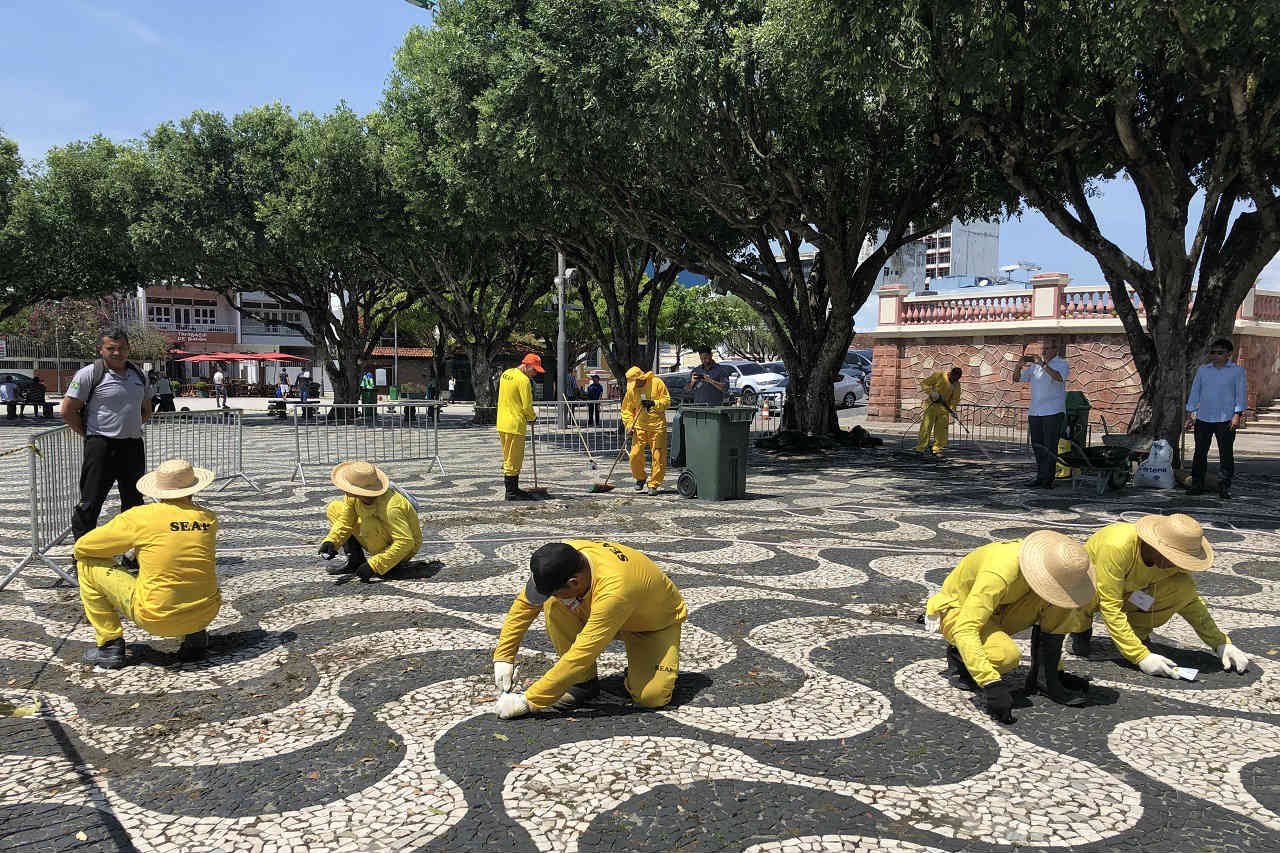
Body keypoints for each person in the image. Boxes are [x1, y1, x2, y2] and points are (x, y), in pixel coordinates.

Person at [492, 540, 687, 720]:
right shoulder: (563, 557)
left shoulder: (615, 589)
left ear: (574, 582)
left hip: (652, 623)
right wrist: (504, 656)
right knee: (553, 603)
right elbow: (525, 605)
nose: (556, 595)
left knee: (651, 698)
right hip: (606, 609)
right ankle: (583, 683)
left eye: (559, 591)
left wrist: (529, 700)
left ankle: (641, 668)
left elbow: (582, 653)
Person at [925, 531, 1095, 724]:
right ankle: (960, 656)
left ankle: (1045, 678)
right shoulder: (999, 571)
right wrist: (990, 683)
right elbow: (967, 628)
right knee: (1005, 657)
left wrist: (1055, 670)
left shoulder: (1053, 564)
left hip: (1001, 608)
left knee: (1063, 601)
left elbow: (1056, 620)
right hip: (961, 610)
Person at [74, 458, 221, 669]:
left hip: (157, 617)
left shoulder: (140, 517)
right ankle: (195, 637)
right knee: (188, 569)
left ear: (158, 490)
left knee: (86, 564)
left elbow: (83, 547)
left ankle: (109, 645)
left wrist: (122, 552)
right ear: (193, 488)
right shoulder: (208, 518)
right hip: (206, 612)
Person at [1070, 514, 1250, 677]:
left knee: (1182, 587)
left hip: (1131, 590)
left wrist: (1220, 643)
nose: (1177, 565)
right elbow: (1109, 605)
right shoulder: (1117, 546)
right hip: (1093, 585)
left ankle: (1137, 633)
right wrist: (1140, 657)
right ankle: (1080, 631)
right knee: (1089, 594)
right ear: (1155, 545)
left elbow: (1190, 602)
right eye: (1174, 558)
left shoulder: (1168, 563)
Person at [61, 329, 153, 548]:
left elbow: (146, 408)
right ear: (101, 349)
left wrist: (130, 427)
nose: (117, 352)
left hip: (132, 446)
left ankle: (132, 554)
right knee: (90, 502)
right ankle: (83, 555)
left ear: (129, 349)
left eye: (121, 348)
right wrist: (89, 435)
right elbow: (67, 411)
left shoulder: (139, 375)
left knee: (134, 503)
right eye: (111, 348)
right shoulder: (89, 374)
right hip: (101, 446)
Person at [317, 460, 423, 583]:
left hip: (405, 549)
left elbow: (405, 542)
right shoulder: (353, 497)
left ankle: (391, 564)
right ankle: (355, 560)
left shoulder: (392, 507)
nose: (345, 491)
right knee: (334, 508)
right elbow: (345, 521)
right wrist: (332, 541)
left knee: (369, 525)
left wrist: (374, 565)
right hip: (379, 536)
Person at [1184, 337, 1247, 499]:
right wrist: (1190, 412)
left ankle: (1224, 486)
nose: (1215, 355)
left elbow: (1240, 394)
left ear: (1228, 354)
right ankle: (1197, 484)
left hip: (1226, 419)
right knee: (1200, 453)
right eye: (1213, 352)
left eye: (1220, 353)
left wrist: (1237, 414)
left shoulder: (1237, 371)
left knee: (1225, 454)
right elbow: (1195, 391)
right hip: (1204, 417)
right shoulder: (1203, 370)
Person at [1014, 338, 1070, 489]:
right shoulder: (1034, 367)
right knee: (1037, 446)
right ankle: (1040, 476)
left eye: (1047, 348)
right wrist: (1018, 367)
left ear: (1055, 349)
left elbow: (1059, 378)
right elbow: (1017, 379)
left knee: (1050, 446)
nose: (1044, 351)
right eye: (1043, 349)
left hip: (1053, 411)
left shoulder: (1062, 364)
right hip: (1036, 411)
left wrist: (1043, 365)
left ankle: (1048, 479)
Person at [497, 353, 543, 500]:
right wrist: (533, 417)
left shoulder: (506, 374)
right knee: (515, 458)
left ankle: (513, 488)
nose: (535, 374)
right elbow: (526, 406)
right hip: (515, 424)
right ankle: (511, 492)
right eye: (534, 370)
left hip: (502, 422)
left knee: (508, 456)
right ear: (527, 365)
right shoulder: (524, 381)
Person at [621, 366, 671, 495]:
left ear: (641, 378)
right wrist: (629, 424)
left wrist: (654, 403)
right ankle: (640, 477)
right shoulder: (631, 391)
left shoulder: (657, 383)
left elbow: (667, 401)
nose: (635, 385)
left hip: (657, 427)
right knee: (634, 455)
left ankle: (654, 484)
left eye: (636, 382)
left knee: (658, 457)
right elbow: (626, 410)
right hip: (640, 427)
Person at [915, 367, 962, 456]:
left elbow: (955, 398)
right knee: (926, 427)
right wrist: (931, 393)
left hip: (944, 410)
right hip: (931, 407)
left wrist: (952, 409)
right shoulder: (938, 376)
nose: (954, 380)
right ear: (950, 373)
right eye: (953, 378)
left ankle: (936, 449)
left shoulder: (957, 384)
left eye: (957, 379)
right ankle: (920, 448)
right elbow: (924, 383)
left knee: (942, 431)